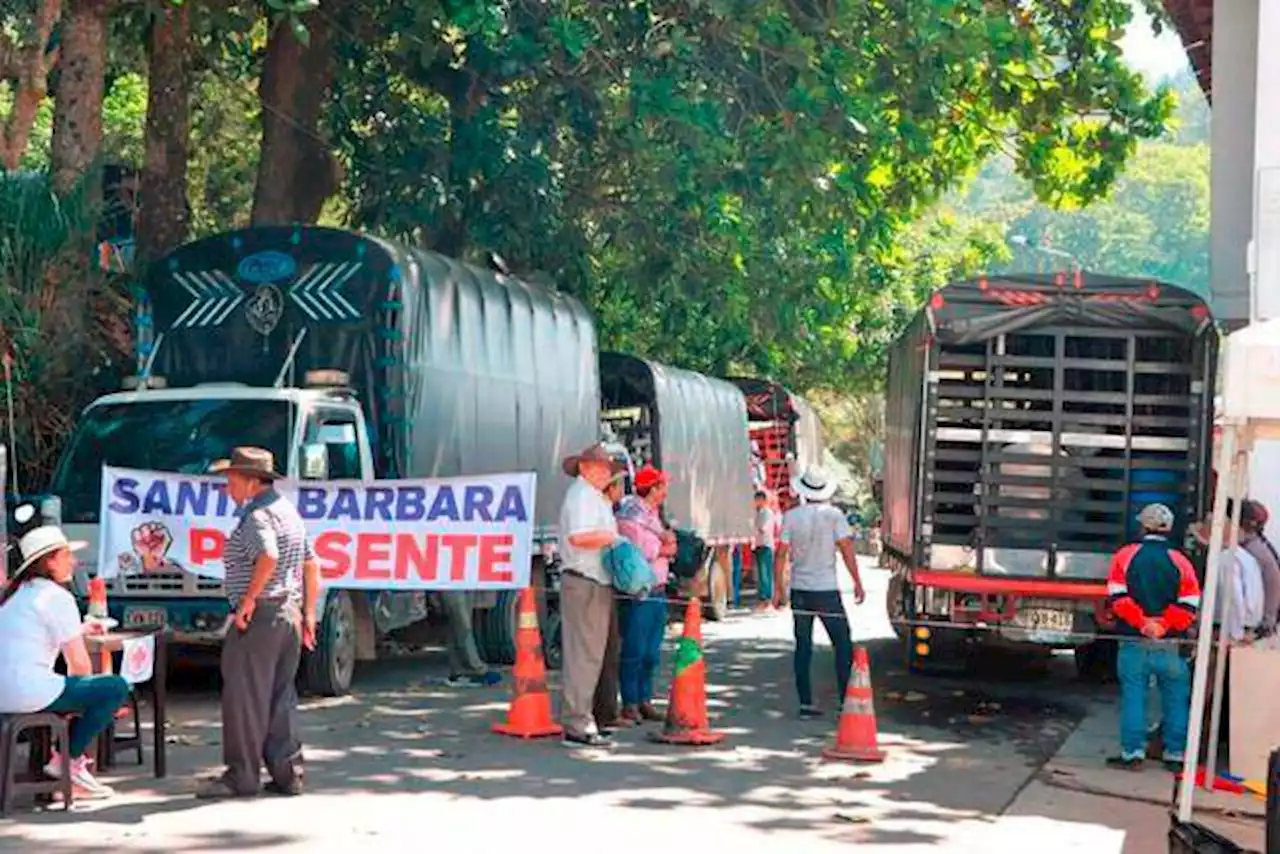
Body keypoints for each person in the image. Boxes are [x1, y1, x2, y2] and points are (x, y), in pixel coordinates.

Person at [198, 447, 320, 798]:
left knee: (244, 697)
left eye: (231, 480)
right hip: (289, 613)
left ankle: (242, 775)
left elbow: (269, 555)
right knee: (280, 696)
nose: (227, 488)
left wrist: (249, 599)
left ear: (251, 482)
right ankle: (287, 774)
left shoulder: (256, 516)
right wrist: (309, 613)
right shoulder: (288, 511)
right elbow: (312, 564)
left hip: (262, 615)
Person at [0, 511, 127, 798]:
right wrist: (82, 706)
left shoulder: (16, 595)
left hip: (6, 691)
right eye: (67, 555)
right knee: (113, 688)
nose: (74, 561)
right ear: (49, 562)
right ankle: (68, 761)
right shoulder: (57, 597)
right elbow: (79, 665)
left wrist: (79, 629)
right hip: (27, 692)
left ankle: (63, 763)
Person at [1105, 503, 1201, 772]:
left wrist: (1143, 623)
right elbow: (1190, 602)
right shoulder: (1181, 560)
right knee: (1176, 698)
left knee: (1134, 696)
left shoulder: (1125, 555)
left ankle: (1132, 754)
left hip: (1133, 640)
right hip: (1171, 643)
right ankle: (1175, 755)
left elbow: (1117, 596)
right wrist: (1164, 625)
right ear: (1169, 529)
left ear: (1142, 526)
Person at [776, 469, 865, 718]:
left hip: (800, 589)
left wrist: (778, 589)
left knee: (803, 646)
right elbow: (846, 550)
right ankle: (845, 699)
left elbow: (781, 554)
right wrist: (857, 581)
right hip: (827, 589)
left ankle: (805, 703)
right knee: (842, 643)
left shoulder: (791, 517)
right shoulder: (835, 516)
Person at [558, 443, 626, 748]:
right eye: (601, 468)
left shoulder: (590, 496)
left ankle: (586, 718)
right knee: (584, 655)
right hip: (585, 580)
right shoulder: (583, 496)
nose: (606, 474)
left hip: (592, 580)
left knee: (592, 654)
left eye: (608, 469)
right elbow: (580, 537)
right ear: (585, 468)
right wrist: (613, 538)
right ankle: (577, 723)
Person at [615, 465, 677, 724]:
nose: (665, 492)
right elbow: (646, 549)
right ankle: (630, 701)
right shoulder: (631, 516)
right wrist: (666, 544)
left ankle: (645, 699)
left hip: (658, 588)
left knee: (651, 651)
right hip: (640, 591)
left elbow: (667, 545)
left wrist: (666, 544)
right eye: (662, 487)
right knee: (634, 649)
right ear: (652, 489)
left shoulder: (652, 514)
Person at [594, 473, 633, 732]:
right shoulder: (597, 507)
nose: (623, 490)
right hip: (597, 579)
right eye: (620, 485)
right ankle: (602, 712)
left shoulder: (607, 508)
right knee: (602, 651)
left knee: (610, 650)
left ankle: (608, 710)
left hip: (605, 581)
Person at [439, 590, 501, 688]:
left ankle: (459, 671)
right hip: (450, 579)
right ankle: (473, 669)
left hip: (466, 579)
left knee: (460, 621)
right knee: (461, 620)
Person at [1238, 500, 1280, 634]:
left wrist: (1268, 620)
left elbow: (1273, 581)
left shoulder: (1254, 551)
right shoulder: (1257, 546)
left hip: (1254, 624)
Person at [753, 490, 777, 609]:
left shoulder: (767, 513)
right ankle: (763, 598)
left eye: (757, 500)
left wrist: (755, 529)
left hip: (766, 545)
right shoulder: (759, 513)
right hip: (759, 544)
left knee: (765, 573)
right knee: (762, 573)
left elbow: (764, 528)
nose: (755, 502)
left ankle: (767, 599)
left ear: (762, 500)